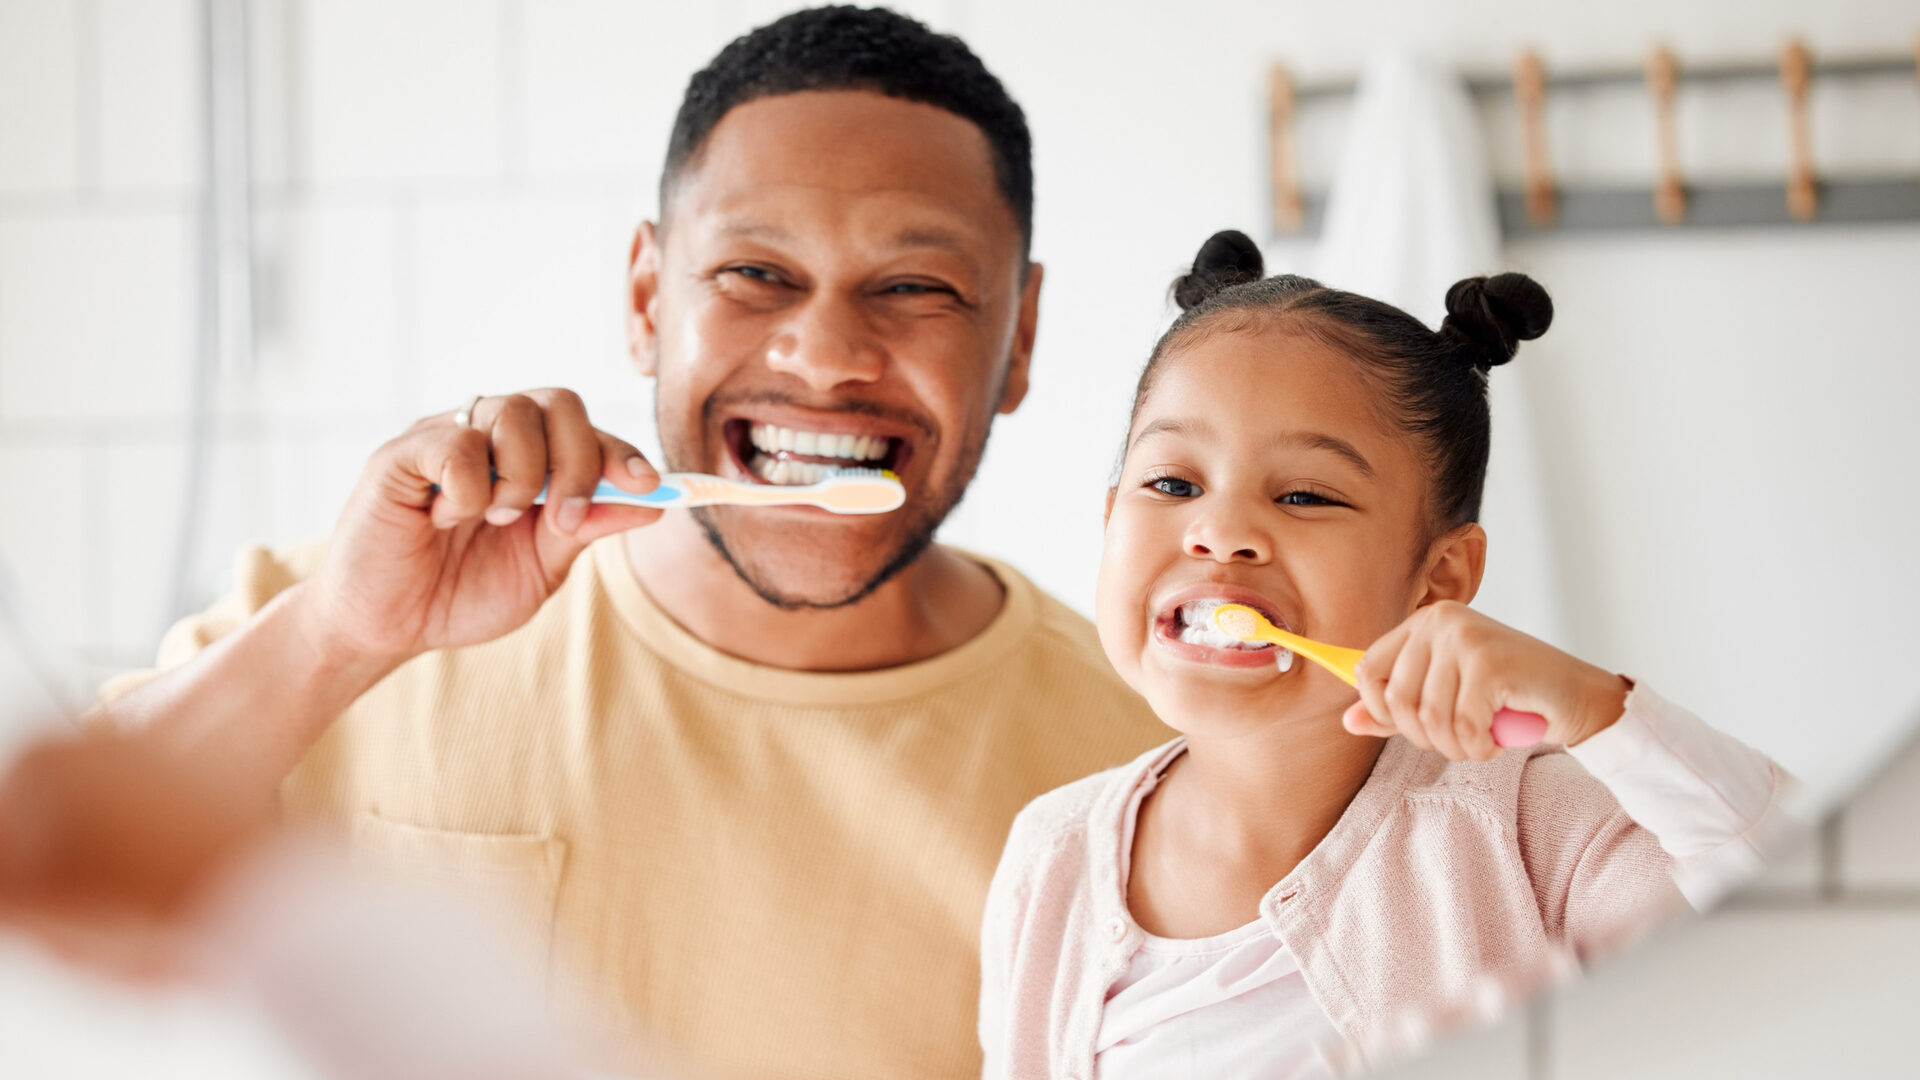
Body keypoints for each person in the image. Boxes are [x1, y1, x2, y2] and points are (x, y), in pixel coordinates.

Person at [98, 8, 1166, 1078]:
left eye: (914, 287)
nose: (829, 356)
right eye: (756, 273)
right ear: (650, 299)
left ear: (1019, 339)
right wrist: (337, 636)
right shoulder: (346, 624)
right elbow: (58, 865)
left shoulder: (1144, 759)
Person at [977, 231, 1791, 1078]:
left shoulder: (1534, 833)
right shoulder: (1052, 856)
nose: (1218, 532)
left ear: (1440, 578)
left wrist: (1599, 711)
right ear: (1112, 519)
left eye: (1304, 495)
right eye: (1173, 485)